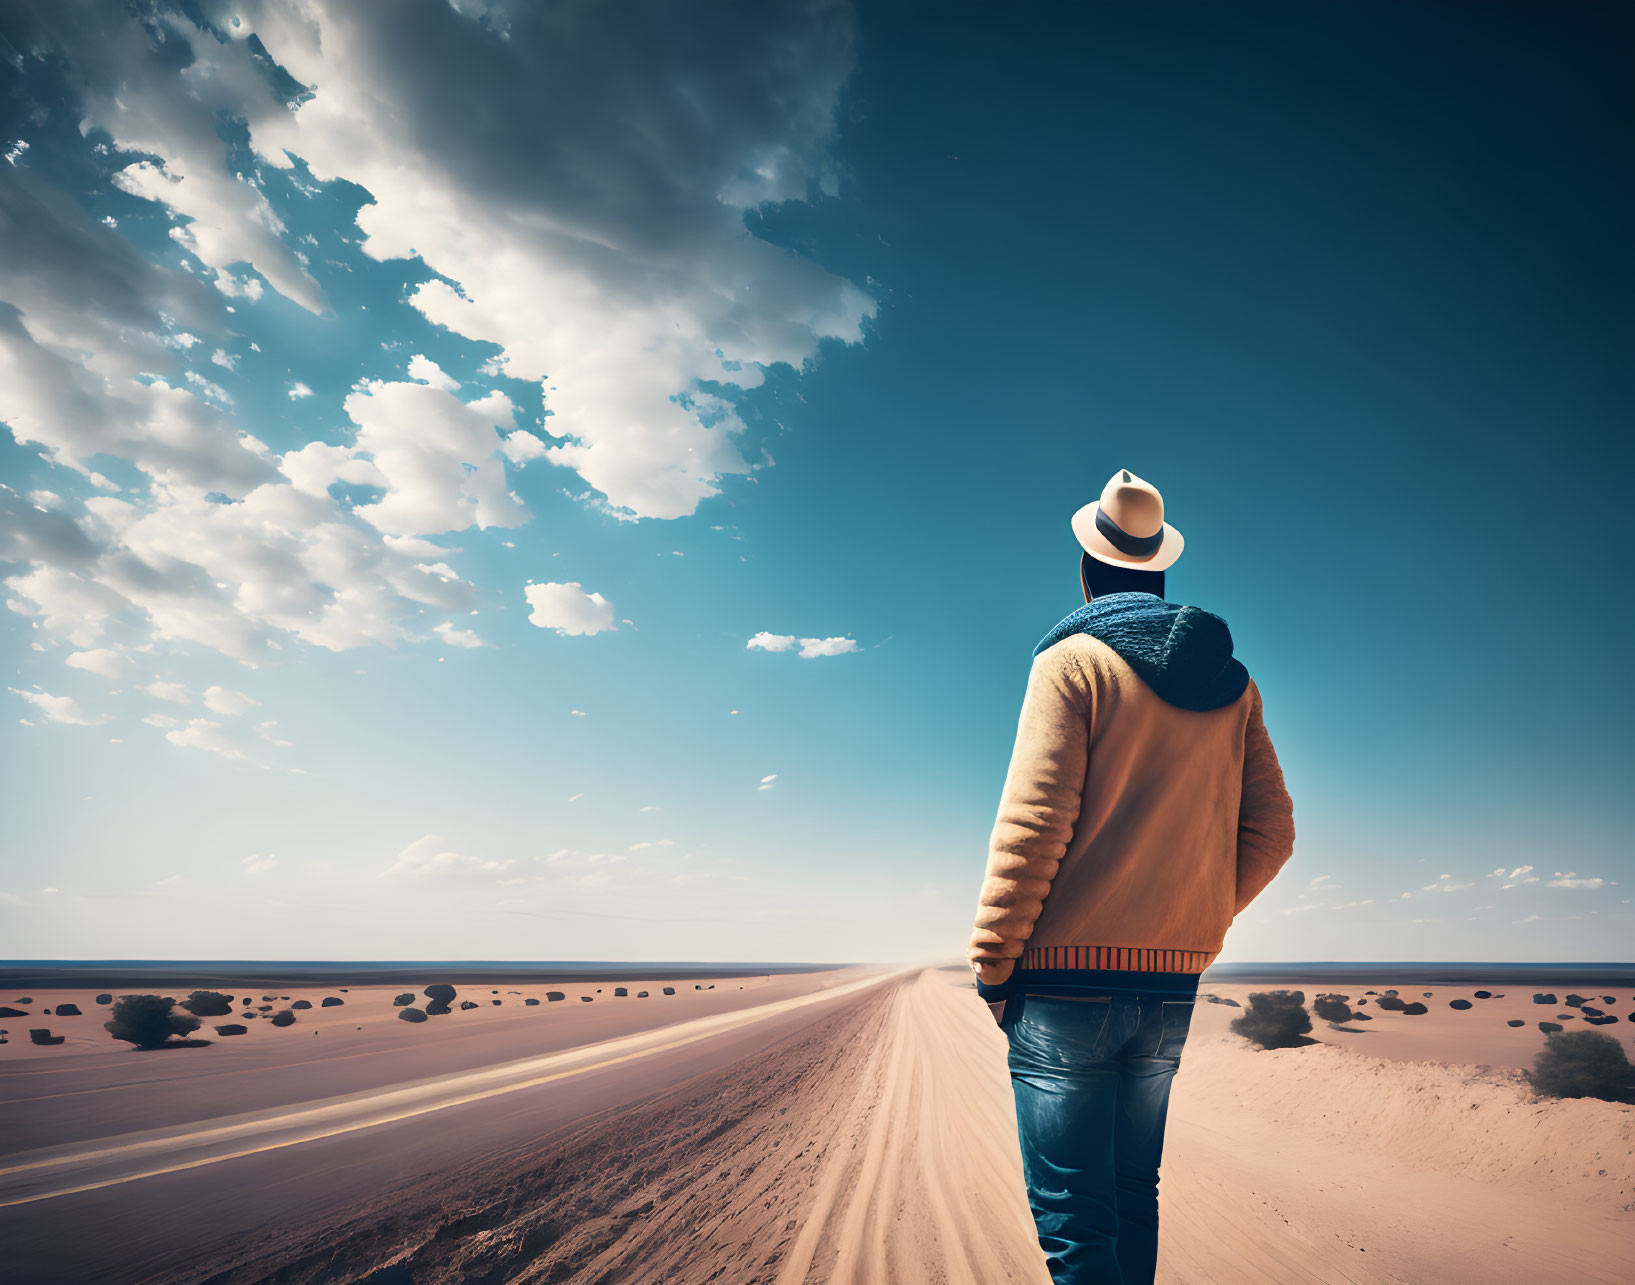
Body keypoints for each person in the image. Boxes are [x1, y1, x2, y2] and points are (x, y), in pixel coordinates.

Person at [967, 467, 1296, 1284]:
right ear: (1159, 568)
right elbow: (1271, 832)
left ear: (1086, 570)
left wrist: (993, 963)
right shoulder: (1233, 683)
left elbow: (1032, 827)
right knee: (1129, 1193)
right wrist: (1193, 923)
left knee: (1076, 1218)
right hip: (1168, 986)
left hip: (1062, 983)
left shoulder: (1071, 663)